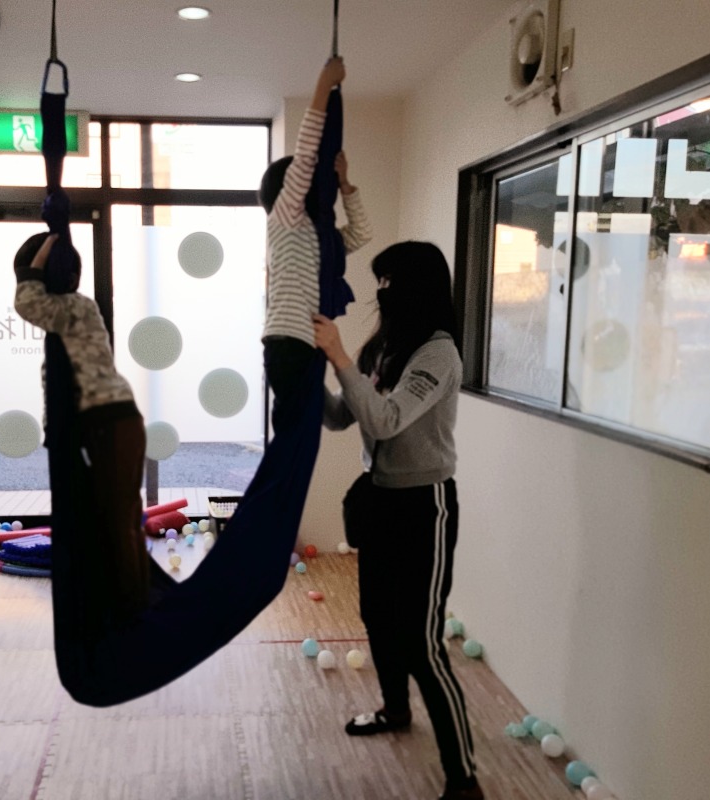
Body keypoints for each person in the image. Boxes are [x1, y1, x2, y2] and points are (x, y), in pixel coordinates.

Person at [314, 241, 484, 800]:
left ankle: (464, 780)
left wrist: (339, 357)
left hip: (424, 506)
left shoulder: (439, 355)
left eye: (389, 281)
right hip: (381, 499)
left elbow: (386, 420)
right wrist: (304, 374)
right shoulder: (382, 348)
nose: (380, 292)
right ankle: (395, 709)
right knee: (377, 618)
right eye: (379, 280)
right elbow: (341, 417)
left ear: (416, 288)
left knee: (422, 644)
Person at [13, 232, 149, 620]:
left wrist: (40, 258)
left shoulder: (75, 307)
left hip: (110, 422)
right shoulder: (66, 322)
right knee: (117, 516)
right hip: (109, 422)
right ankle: (127, 601)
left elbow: (27, 302)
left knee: (120, 518)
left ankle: (129, 610)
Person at [259, 56, 372, 433]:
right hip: (289, 344)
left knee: (304, 431)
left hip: (305, 344)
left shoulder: (318, 238)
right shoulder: (286, 219)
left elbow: (361, 234)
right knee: (295, 435)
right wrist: (324, 84)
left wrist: (346, 184)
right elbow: (307, 155)